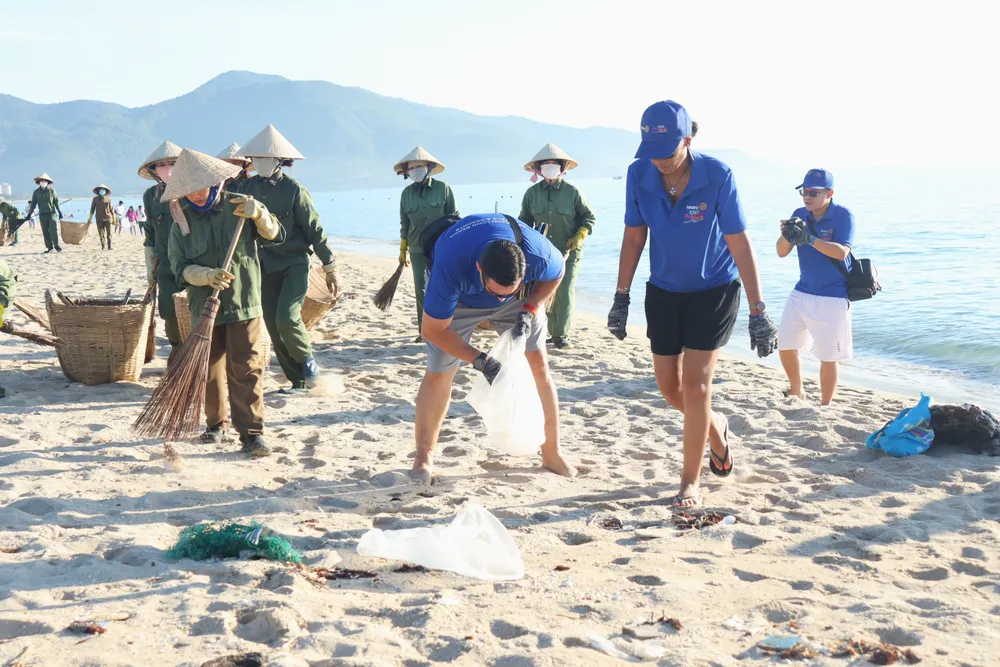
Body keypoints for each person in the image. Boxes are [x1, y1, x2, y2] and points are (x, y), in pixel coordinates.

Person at [608, 100, 779, 508]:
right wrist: (620, 297)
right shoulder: (638, 174)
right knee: (669, 387)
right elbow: (634, 238)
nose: (660, 162)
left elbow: (739, 241)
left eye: (668, 152)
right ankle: (717, 428)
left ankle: (690, 482)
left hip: (714, 290)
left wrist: (759, 310)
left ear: (687, 139)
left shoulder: (717, 175)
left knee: (697, 385)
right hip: (664, 291)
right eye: (653, 152)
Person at [412, 212, 575, 484]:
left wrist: (530, 307)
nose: (499, 298)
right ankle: (423, 457)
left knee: (539, 367)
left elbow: (557, 274)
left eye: (507, 290)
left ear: (525, 271)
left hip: (519, 303)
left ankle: (551, 452)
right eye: (496, 292)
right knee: (439, 371)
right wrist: (480, 361)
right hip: (461, 301)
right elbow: (431, 330)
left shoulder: (541, 256)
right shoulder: (452, 266)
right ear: (479, 270)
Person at [165, 148, 284, 457]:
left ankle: (252, 433)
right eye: (189, 190)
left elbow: (274, 235)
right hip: (204, 307)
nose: (196, 195)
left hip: (244, 302)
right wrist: (206, 275)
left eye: (201, 187)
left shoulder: (239, 206)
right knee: (207, 368)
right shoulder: (181, 220)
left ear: (215, 181)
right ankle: (215, 425)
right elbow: (179, 268)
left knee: (246, 367)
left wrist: (260, 213)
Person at [236, 124, 339, 393]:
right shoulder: (246, 187)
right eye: (256, 158)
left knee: (287, 317)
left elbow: (315, 229)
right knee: (271, 321)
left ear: (279, 160)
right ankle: (298, 381)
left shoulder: (295, 190)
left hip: (294, 262)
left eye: (266, 158)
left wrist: (330, 267)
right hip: (263, 264)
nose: (260, 163)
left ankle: (309, 364)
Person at [776, 169, 855, 405]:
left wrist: (809, 239)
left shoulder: (843, 215)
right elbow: (781, 252)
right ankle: (796, 390)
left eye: (813, 192)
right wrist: (788, 234)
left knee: (829, 356)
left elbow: (842, 253)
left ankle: (825, 405)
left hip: (833, 296)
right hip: (802, 292)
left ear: (829, 193)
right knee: (785, 344)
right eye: (804, 191)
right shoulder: (800, 214)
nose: (807, 197)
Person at [519, 143, 596, 349]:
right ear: (539, 168)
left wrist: (581, 234)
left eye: (554, 164)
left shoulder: (573, 192)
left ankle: (560, 336)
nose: (550, 167)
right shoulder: (531, 194)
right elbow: (523, 221)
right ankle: (545, 332)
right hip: (542, 253)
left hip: (568, 251)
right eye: (546, 164)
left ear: (563, 168)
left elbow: (588, 217)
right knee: (543, 291)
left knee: (564, 292)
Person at [394, 146, 459, 342]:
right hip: (416, 248)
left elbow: (454, 218)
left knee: (445, 287)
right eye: (412, 168)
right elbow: (404, 223)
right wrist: (403, 249)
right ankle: (425, 332)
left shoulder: (443, 188)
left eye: (419, 166)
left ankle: (449, 328)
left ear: (429, 167)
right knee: (421, 289)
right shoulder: (406, 194)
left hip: (442, 246)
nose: (415, 170)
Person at [139, 140, 184, 364]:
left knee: (193, 311)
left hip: (194, 263)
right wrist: (150, 264)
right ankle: (178, 350)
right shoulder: (150, 197)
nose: (167, 168)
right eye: (162, 165)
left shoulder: (192, 189)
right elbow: (150, 230)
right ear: (154, 170)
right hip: (165, 264)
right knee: (168, 311)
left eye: (172, 163)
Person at [25, 174, 63, 253]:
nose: (43, 182)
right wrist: (29, 214)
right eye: (42, 181)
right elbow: (33, 205)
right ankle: (49, 247)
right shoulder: (36, 193)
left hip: (51, 214)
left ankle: (56, 246)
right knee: (45, 231)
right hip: (42, 215)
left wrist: (59, 212)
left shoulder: (52, 191)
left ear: (48, 182)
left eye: (45, 181)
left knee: (53, 231)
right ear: (39, 182)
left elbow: (56, 202)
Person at [88, 185, 115, 250]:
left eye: (103, 189)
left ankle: (109, 246)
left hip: (108, 218)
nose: (102, 191)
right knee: (101, 234)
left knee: (109, 233)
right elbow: (92, 209)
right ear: (98, 191)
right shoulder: (95, 199)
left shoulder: (108, 199)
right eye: (101, 189)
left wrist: (114, 219)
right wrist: (89, 219)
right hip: (99, 219)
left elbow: (111, 210)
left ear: (105, 191)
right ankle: (103, 246)